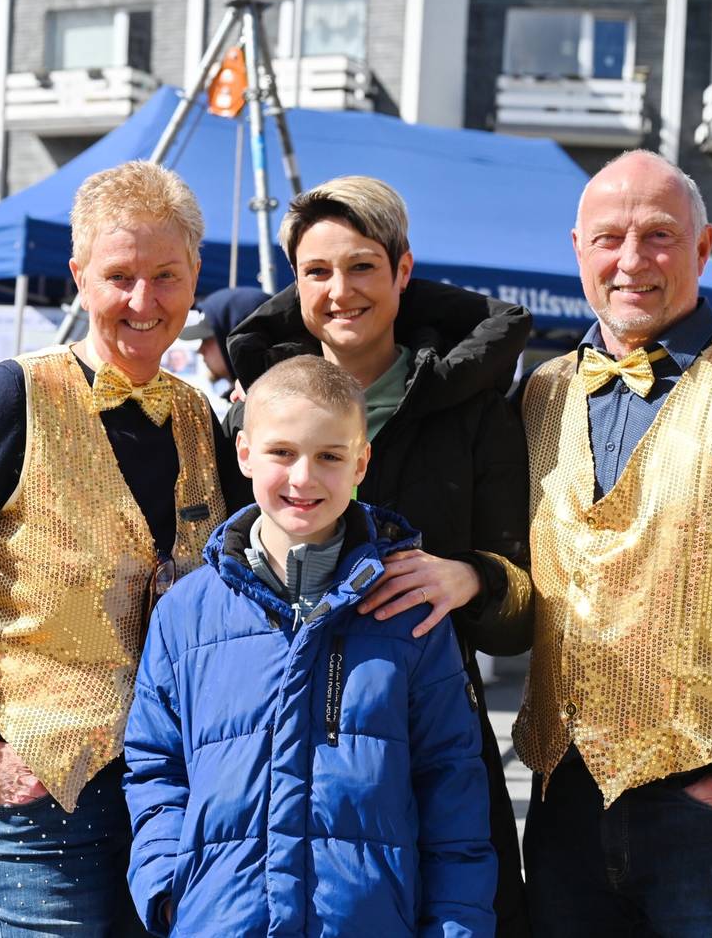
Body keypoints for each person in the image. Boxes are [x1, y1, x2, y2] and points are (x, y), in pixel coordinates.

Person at [0, 160, 248, 935]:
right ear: (79, 276)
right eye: (119, 277)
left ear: (196, 274)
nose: (144, 302)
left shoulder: (200, 418)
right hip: (39, 796)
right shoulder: (14, 397)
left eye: (167, 276)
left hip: (172, 797)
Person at [226, 175, 533, 936]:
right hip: (270, 736)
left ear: (402, 269)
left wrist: (473, 578)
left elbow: (518, 614)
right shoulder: (253, 403)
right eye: (317, 272)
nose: (341, 290)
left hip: (427, 736)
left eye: (362, 266)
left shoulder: (475, 409)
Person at [124, 355, 497, 936]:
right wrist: (167, 887)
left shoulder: (408, 611)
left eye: (329, 456)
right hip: (219, 919)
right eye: (282, 453)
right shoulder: (185, 611)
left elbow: (451, 782)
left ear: (361, 463)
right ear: (244, 453)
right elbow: (155, 765)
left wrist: (456, 925)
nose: (303, 478)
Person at [514, 149, 712, 937]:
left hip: (710, 809)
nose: (631, 260)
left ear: (702, 249)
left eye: (659, 236)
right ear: (577, 250)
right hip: (564, 803)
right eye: (609, 238)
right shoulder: (541, 392)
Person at [179, 285, 270, 392]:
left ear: (238, 337)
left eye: (207, 339)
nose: (200, 350)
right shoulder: (258, 398)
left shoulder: (270, 401)